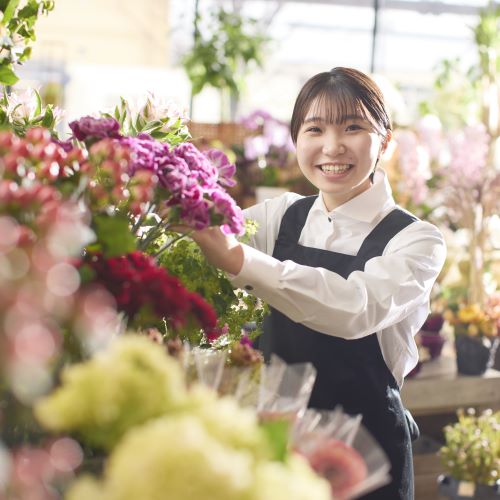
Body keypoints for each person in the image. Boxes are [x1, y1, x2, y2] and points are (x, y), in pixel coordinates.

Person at [190, 67, 446, 499]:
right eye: (315, 129)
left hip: (368, 455)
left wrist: (239, 259)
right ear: (296, 141)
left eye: (353, 127)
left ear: (384, 141)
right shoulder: (278, 217)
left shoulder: (416, 239)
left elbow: (354, 308)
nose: (332, 147)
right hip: (278, 443)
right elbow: (200, 246)